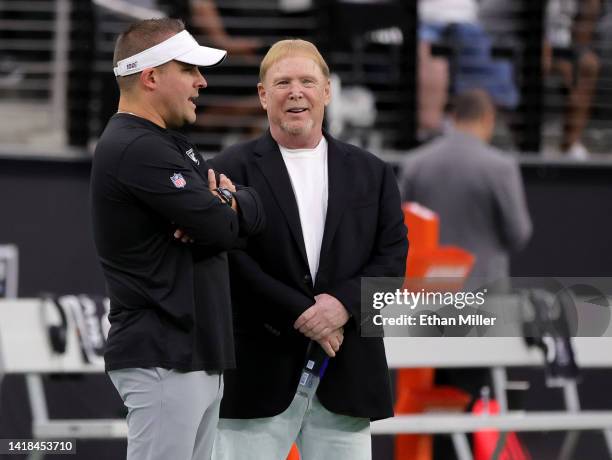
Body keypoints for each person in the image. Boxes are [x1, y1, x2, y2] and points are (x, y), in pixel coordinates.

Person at [210, 39, 408, 459]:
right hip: (257, 377)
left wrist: (342, 306)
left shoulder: (372, 173)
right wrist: (299, 312)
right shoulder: (230, 168)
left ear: (327, 91)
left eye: (307, 81)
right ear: (264, 95)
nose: (295, 91)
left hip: (347, 373)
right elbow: (227, 259)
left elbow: (393, 261)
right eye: (282, 82)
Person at [90, 18, 265, 460]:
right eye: (188, 69)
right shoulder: (136, 147)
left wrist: (225, 201)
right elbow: (222, 228)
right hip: (165, 357)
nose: (201, 82)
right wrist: (224, 212)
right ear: (151, 77)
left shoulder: (168, 143)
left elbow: (244, 218)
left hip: (192, 355)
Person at [400, 89, 532, 286]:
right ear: (488, 119)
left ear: (453, 118)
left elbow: (397, 225)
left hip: (430, 290)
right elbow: (518, 234)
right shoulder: (501, 167)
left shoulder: (415, 163)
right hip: (485, 292)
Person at [543, 0, 601, 159]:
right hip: (529, 40)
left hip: (563, 46)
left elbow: (581, 37)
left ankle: (570, 145)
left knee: (589, 64)